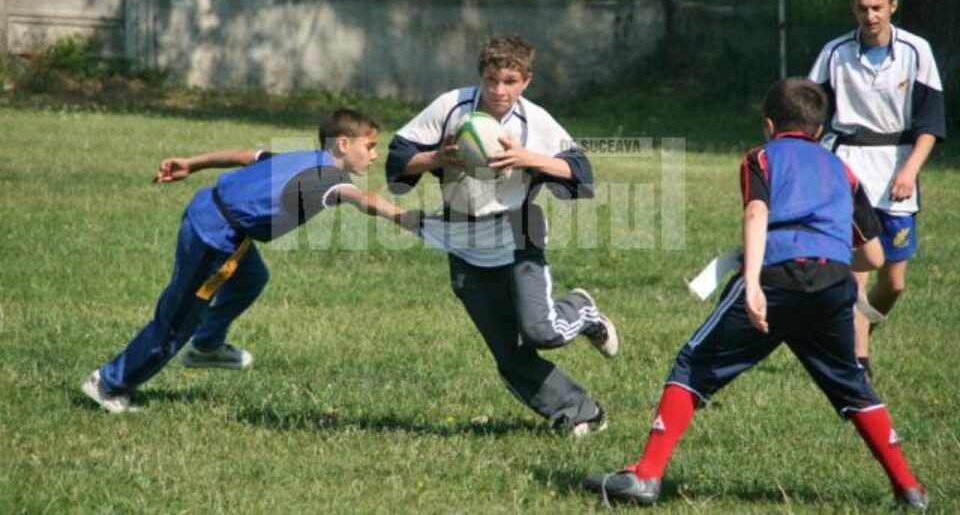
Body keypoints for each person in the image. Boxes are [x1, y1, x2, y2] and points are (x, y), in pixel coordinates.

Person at [585, 78, 928, 510]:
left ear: (768, 125)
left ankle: (647, 475)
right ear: (820, 131)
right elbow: (875, 257)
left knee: (693, 364)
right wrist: (827, 260)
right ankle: (909, 488)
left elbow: (756, 211)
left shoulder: (761, 158)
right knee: (853, 385)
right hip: (833, 284)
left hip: (774, 277)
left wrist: (751, 283)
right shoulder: (843, 170)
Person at [82, 109, 421, 413]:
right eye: (370, 146)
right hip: (215, 239)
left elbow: (245, 155)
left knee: (251, 278)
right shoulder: (328, 179)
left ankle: (207, 346)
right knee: (177, 320)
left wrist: (193, 162)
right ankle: (109, 383)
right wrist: (403, 216)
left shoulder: (304, 157)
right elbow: (360, 198)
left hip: (210, 213)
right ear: (344, 144)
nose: (374, 156)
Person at [386, 34, 618, 436]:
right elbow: (398, 160)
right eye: (492, 79)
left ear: (526, 80)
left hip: (517, 229)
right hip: (462, 236)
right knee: (509, 356)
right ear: (481, 76)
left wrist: (531, 159)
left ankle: (582, 310)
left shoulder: (535, 121)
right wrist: (436, 158)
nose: (499, 90)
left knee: (540, 331)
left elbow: (582, 173)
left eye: (510, 81)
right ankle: (579, 411)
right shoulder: (452, 106)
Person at [808, 0, 946, 376]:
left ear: (893, 7)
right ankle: (858, 359)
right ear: (853, 7)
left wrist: (910, 169)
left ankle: (863, 325)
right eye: (862, 8)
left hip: (898, 171)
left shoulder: (916, 52)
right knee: (857, 268)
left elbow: (931, 124)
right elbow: (809, 109)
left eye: (877, 8)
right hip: (848, 166)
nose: (869, 16)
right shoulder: (834, 54)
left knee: (895, 281)